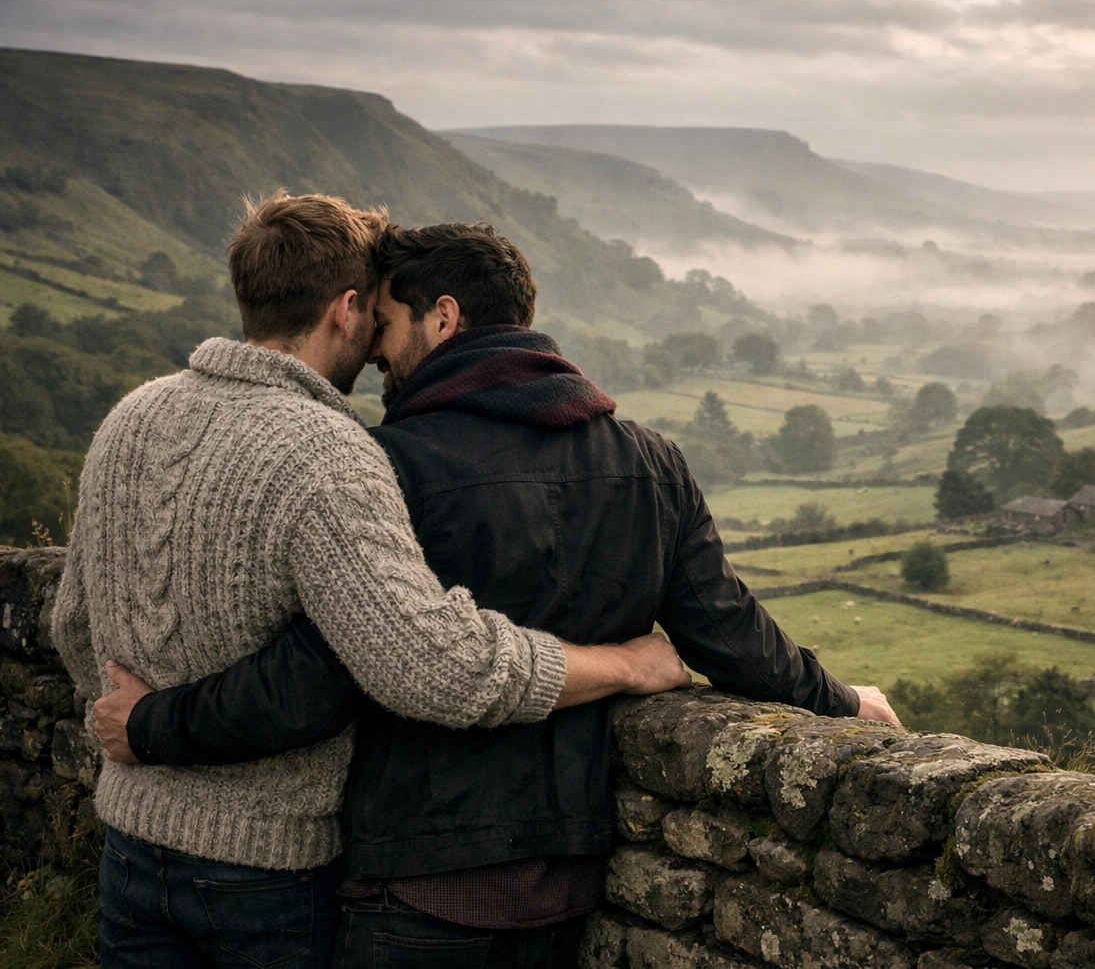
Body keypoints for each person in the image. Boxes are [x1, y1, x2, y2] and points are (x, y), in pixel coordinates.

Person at [92, 220, 899, 967]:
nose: (374, 352)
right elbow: (730, 632)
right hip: (568, 876)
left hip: (411, 877)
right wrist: (840, 703)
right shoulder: (652, 461)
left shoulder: (391, 464)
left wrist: (153, 722)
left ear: (442, 318)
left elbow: (316, 677)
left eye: (388, 323)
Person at [53, 194, 691, 969]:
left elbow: (74, 623)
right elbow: (434, 668)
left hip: (130, 840)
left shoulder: (131, 415)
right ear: (347, 308)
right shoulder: (330, 451)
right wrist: (625, 664)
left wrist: (138, 729)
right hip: (268, 867)